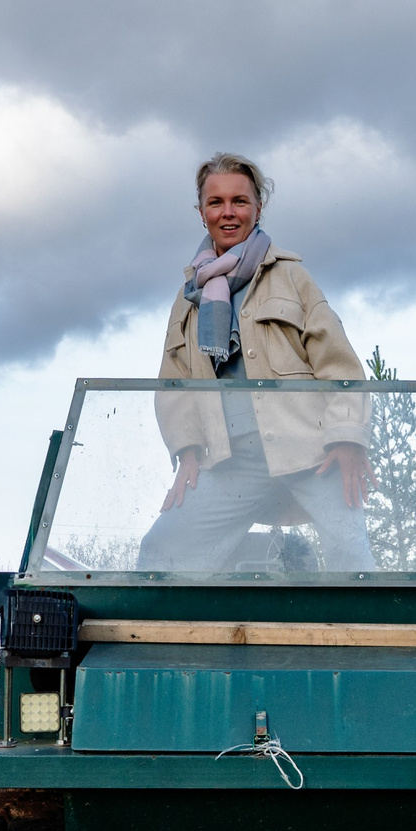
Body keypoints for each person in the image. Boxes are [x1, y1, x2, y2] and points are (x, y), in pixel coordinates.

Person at [136, 153, 376, 574]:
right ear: (201, 212)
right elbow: (174, 382)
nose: (228, 213)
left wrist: (346, 439)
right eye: (216, 203)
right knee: (161, 551)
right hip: (231, 460)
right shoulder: (189, 296)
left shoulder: (291, 277)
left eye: (239, 201)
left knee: (353, 559)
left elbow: (341, 365)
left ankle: (368, 640)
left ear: (258, 207)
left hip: (309, 451)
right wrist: (188, 451)